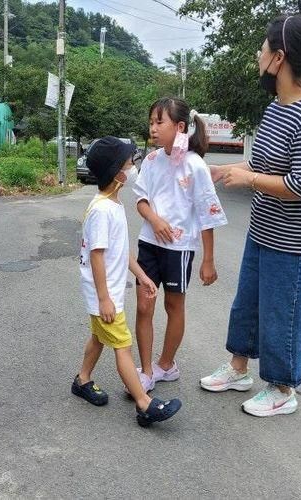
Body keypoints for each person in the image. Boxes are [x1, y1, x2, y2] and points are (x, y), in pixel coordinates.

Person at [200, 14, 301, 417]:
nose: (258, 55)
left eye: (263, 48)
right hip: (263, 231)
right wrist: (224, 171)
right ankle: (239, 369)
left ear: (278, 58)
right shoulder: (276, 107)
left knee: (284, 314)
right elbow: (261, 163)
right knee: (247, 306)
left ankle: (282, 388)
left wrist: (251, 180)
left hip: (294, 242)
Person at [73, 136, 182, 427]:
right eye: (127, 163)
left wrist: (143, 276)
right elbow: (97, 256)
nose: (132, 166)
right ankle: (144, 404)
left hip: (105, 293)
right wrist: (105, 298)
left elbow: (120, 252)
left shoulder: (114, 204)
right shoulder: (101, 210)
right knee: (122, 344)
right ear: (115, 172)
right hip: (104, 294)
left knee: (99, 337)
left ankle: (82, 379)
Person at [132, 98, 228, 393]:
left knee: (174, 305)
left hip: (179, 249)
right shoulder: (150, 160)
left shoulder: (195, 165)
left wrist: (208, 260)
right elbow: (141, 199)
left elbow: (206, 213)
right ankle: (146, 370)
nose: (153, 128)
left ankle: (165, 365)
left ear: (181, 126)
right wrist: (155, 220)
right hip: (148, 244)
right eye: (151, 122)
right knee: (144, 304)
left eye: (160, 122)